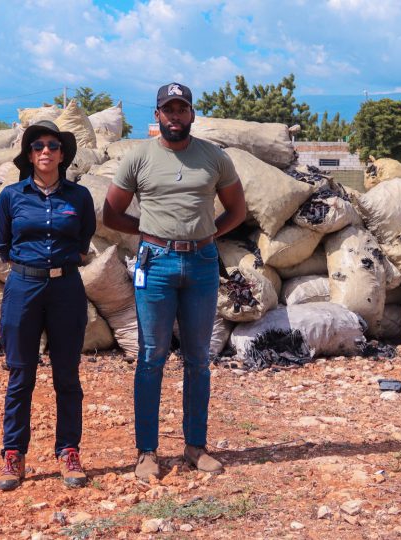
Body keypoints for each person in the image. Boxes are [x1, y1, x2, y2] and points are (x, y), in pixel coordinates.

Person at [103, 82, 246, 480]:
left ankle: (195, 447)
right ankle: (147, 451)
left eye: (182, 109)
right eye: (169, 110)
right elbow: (111, 214)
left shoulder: (213, 158)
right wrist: (149, 230)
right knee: (151, 357)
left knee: (199, 358)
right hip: (157, 264)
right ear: (157, 115)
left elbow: (236, 209)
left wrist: (208, 235)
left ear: (192, 115)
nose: (176, 116)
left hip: (201, 263)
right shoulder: (139, 157)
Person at [0, 120, 96, 490]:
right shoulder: (11, 196)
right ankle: (13, 455)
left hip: (66, 287)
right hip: (24, 287)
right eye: (38, 146)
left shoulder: (79, 197)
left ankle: (68, 450)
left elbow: (84, 238)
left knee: (67, 375)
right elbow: (2, 244)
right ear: (29, 155)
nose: (46, 151)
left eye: (53, 145)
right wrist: (29, 268)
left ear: (63, 154)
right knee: (21, 375)